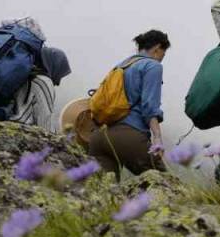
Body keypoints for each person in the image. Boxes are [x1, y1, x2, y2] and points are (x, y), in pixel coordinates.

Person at [88, 30, 170, 178]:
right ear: (157, 48)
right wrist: (157, 138)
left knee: (106, 194)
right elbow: (149, 107)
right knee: (166, 186)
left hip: (99, 138)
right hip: (128, 136)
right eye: (163, 55)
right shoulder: (152, 66)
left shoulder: (122, 65)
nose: (162, 60)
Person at [9, 46, 71, 132]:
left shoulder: (28, 76)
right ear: (53, 65)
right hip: (20, 131)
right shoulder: (43, 82)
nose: (58, 83)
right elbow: (46, 125)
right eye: (59, 73)